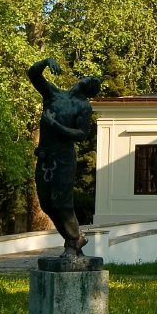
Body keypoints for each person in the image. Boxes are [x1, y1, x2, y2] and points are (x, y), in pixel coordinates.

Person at [27, 59, 101, 256]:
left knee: (61, 202)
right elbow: (33, 74)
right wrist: (46, 62)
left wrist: (55, 126)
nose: (88, 79)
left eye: (92, 81)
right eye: (89, 77)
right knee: (46, 203)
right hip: (45, 157)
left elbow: (81, 134)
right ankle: (76, 239)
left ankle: (72, 242)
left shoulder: (83, 106)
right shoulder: (54, 94)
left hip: (63, 157)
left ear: (89, 89)